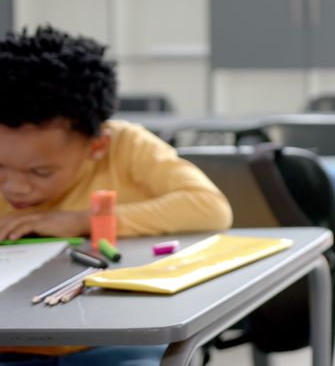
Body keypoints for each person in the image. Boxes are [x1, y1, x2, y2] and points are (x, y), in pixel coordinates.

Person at [0, 25, 233, 365]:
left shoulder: (126, 147)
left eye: (40, 172)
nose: (15, 187)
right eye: (0, 167)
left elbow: (210, 207)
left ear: (97, 146)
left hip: (111, 342)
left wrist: (82, 221)